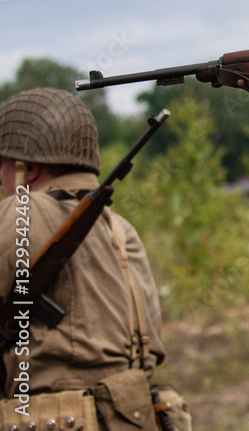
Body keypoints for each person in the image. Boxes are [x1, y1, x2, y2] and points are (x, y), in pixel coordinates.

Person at [0, 88, 189, 431]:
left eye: (2, 164)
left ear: (28, 169)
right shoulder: (121, 230)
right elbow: (151, 351)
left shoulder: (19, 212)